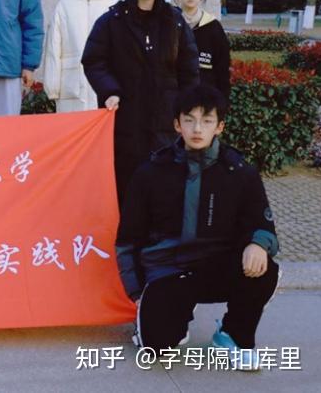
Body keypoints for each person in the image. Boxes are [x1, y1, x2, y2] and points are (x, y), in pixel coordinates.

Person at [116, 85, 279, 369]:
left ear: (220, 126)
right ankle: (167, 317)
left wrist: (258, 244)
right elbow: (128, 239)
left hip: (216, 267)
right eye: (189, 119)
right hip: (168, 270)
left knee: (264, 268)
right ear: (177, 124)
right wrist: (137, 292)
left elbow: (261, 223)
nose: (197, 128)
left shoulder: (240, 172)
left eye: (206, 120)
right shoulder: (150, 173)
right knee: (156, 348)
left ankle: (233, 334)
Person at [82, 0, 199, 203]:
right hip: (127, 114)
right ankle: (127, 236)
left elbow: (189, 68)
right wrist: (110, 90)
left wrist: (186, 107)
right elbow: (94, 60)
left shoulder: (174, 20)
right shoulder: (113, 20)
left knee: (166, 180)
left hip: (166, 117)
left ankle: (162, 237)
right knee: (127, 180)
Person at [43, 0, 116, 112]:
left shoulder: (114, 6)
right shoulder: (65, 4)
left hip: (105, 84)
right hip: (70, 85)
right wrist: (52, 86)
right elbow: (54, 47)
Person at [173, 0, 231, 98]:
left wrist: (222, 101)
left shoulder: (213, 26)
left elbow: (222, 69)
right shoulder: (170, 25)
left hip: (207, 97)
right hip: (176, 97)